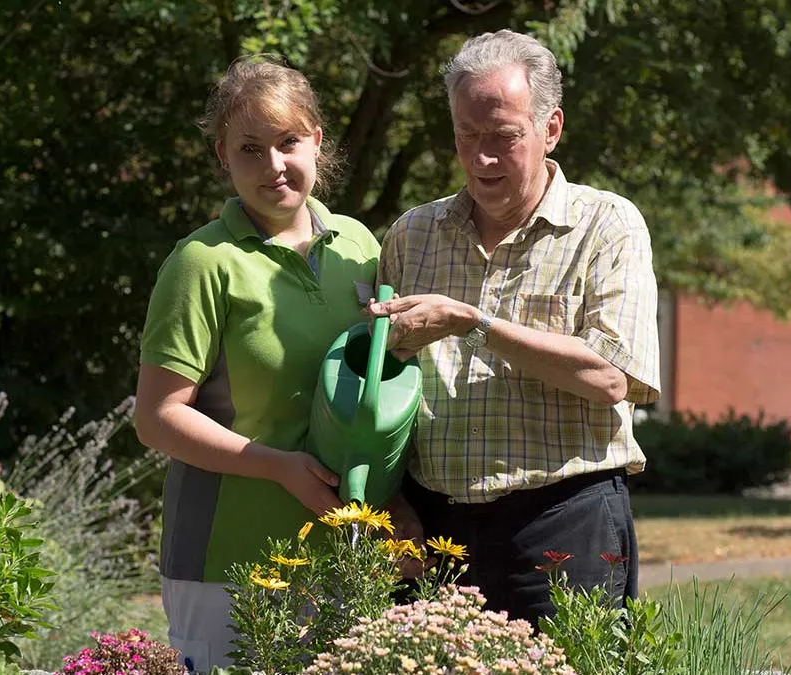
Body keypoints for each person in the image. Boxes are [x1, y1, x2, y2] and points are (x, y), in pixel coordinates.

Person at [368, 29, 661, 625]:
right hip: (432, 528)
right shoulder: (412, 235)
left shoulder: (607, 225)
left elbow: (612, 376)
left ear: (550, 128)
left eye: (503, 138)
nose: (481, 159)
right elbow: (376, 384)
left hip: (564, 521)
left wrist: (472, 324)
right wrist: (389, 501)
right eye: (466, 137)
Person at [134, 55, 381, 672]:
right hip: (228, 561)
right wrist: (277, 468)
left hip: (346, 554)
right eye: (250, 148)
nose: (273, 166)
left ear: (317, 141)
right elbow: (157, 419)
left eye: (288, 142)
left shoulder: (362, 246)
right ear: (223, 154)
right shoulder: (201, 263)